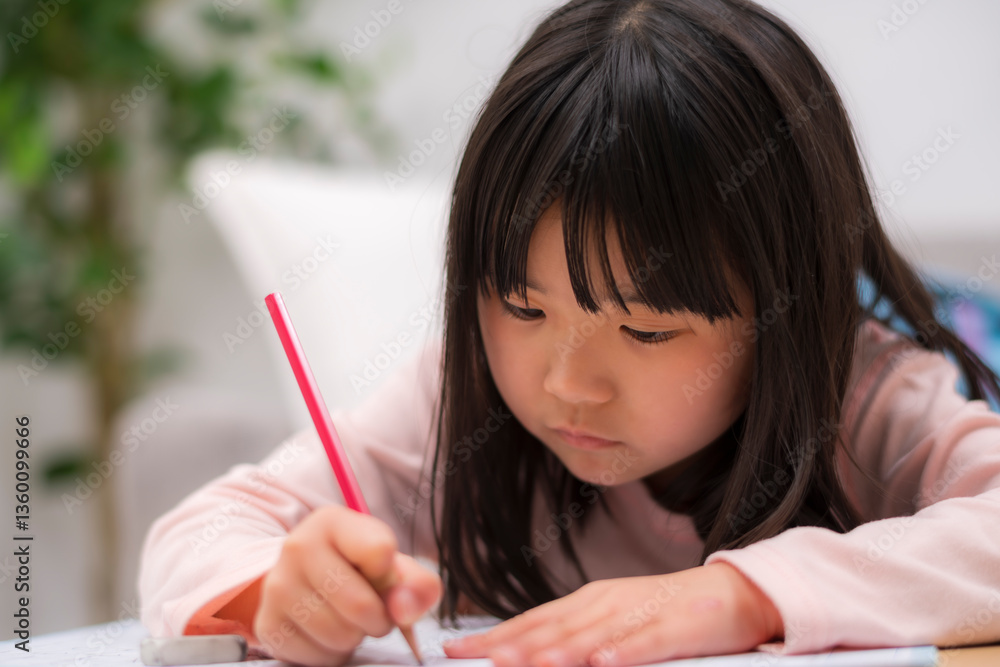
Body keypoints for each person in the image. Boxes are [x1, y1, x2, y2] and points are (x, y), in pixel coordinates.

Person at [137, 1, 1000, 666]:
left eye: (646, 328)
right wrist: (276, 590)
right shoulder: (460, 402)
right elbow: (203, 529)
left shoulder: (863, 395)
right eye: (521, 305)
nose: (567, 383)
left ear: (786, 308)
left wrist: (742, 596)